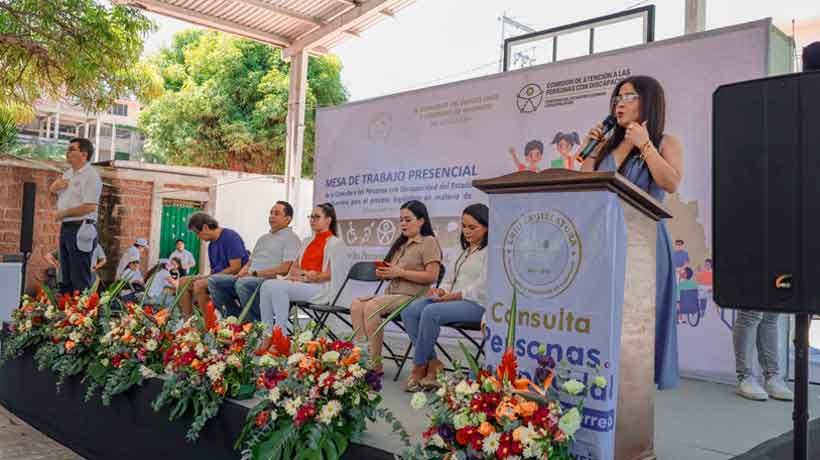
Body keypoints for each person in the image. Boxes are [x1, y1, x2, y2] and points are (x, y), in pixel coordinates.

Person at [581, 75, 683, 390]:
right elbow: (587, 185)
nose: (619, 103)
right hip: (605, 241)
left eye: (629, 96)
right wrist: (595, 147)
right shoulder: (609, 143)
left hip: (645, 242)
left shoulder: (666, 141)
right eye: (617, 97)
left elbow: (670, 183)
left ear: (648, 101)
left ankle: (635, 386)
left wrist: (646, 145)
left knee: (639, 324)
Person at [401, 203, 488, 391]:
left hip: (476, 304)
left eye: (472, 227)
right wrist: (442, 290)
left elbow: (483, 287)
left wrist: (453, 296)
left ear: (487, 227)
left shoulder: (490, 252)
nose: (466, 231)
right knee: (409, 311)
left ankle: (419, 366)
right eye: (464, 226)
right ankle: (433, 364)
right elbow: (450, 280)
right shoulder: (462, 250)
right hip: (453, 299)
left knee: (431, 312)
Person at [350, 200, 442, 374]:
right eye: (401, 220)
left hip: (414, 297)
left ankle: (374, 364)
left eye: (408, 220)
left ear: (421, 221)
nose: (403, 224)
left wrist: (400, 272)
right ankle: (361, 357)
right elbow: (394, 272)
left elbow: (432, 276)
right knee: (356, 304)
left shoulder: (428, 242)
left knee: (372, 305)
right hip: (393, 295)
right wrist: (385, 273)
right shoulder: (400, 244)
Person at [258, 203, 348, 334]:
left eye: (317, 217)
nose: (312, 220)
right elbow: (294, 268)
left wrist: (306, 276)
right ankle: (267, 334)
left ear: (328, 220)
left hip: (322, 289)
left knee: (279, 288)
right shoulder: (307, 241)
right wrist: (305, 276)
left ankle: (280, 336)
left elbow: (330, 275)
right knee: (266, 285)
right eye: (311, 217)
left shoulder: (335, 243)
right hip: (303, 283)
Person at [209, 201, 300, 321]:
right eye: (271, 213)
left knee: (243, 284)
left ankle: (254, 325)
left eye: (276, 213)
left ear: (288, 219)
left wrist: (254, 274)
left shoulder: (292, 238)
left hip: (270, 282)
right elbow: (250, 262)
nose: (271, 216)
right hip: (249, 279)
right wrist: (242, 272)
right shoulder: (263, 238)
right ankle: (235, 320)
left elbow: (285, 269)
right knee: (214, 281)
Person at [49, 137, 102, 294]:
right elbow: (53, 191)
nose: (67, 152)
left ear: (84, 154)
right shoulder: (69, 173)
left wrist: (63, 213)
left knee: (79, 278)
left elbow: (90, 206)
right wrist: (54, 186)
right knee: (65, 276)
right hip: (67, 227)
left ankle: (80, 315)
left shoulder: (91, 176)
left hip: (82, 227)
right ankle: (67, 314)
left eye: (72, 149)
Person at [178, 212, 248, 317]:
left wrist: (210, 277)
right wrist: (207, 276)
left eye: (197, 233)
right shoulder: (211, 245)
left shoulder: (230, 236)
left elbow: (236, 267)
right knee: (183, 281)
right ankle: (188, 323)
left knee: (199, 284)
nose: (198, 237)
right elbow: (213, 270)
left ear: (205, 227)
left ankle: (208, 325)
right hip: (217, 277)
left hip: (235, 278)